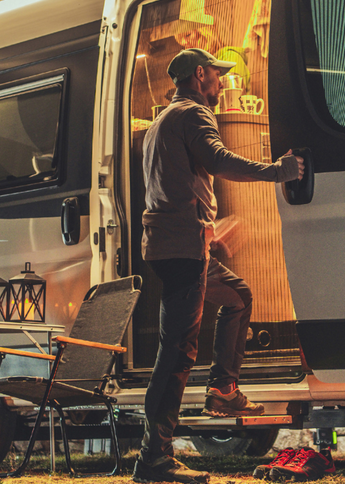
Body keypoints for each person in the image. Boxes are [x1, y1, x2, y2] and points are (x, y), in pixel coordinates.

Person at [133, 48, 305, 484]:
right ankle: (154, 460)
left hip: (178, 245)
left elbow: (175, 185)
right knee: (176, 354)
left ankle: (223, 390)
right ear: (199, 74)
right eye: (217, 75)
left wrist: (207, 226)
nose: (222, 82)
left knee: (238, 297)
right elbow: (220, 161)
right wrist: (276, 171)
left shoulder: (160, 122)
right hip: (183, 249)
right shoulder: (193, 114)